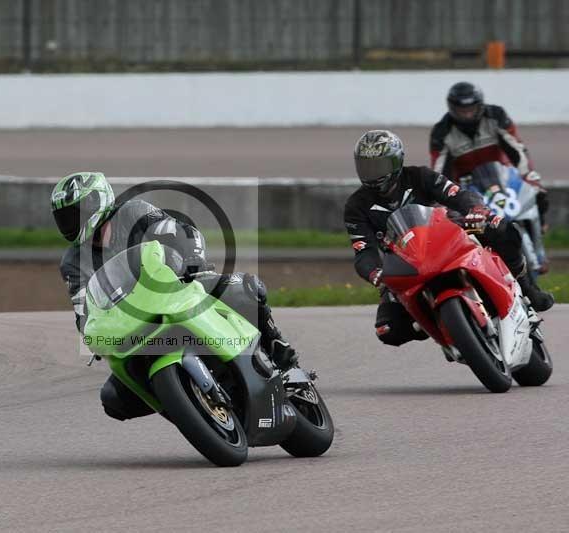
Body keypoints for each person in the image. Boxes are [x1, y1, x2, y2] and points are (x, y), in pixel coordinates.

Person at [51, 171, 298, 421]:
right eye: (64, 217)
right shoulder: (72, 262)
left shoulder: (133, 211)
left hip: (181, 286)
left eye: (76, 212)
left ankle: (278, 349)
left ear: (98, 200)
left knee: (244, 287)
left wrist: (192, 258)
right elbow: (83, 308)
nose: (71, 222)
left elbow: (183, 231)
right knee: (113, 399)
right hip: (135, 323)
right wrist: (91, 332)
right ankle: (188, 407)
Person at [344, 130, 553, 347]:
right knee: (387, 330)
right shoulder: (356, 207)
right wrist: (376, 274)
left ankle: (528, 289)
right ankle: (430, 324)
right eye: (366, 167)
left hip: (449, 234)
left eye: (378, 166)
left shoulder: (420, 176)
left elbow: (457, 194)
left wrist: (475, 209)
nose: (372, 174)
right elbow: (363, 251)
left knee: (502, 229)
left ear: (396, 162)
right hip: (405, 264)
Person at [430, 81, 549, 226]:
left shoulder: (496, 116)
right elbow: (439, 171)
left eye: (471, 109)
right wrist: (444, 198)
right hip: (468, 187)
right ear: (452, 109)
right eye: (462, 111)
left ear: (479, 106)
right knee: (457, 221)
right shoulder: (441, 132)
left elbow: (516, 148)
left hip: (502, 177)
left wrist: (528, 174)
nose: (467, 115)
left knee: (539, 193)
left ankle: (541, 225)